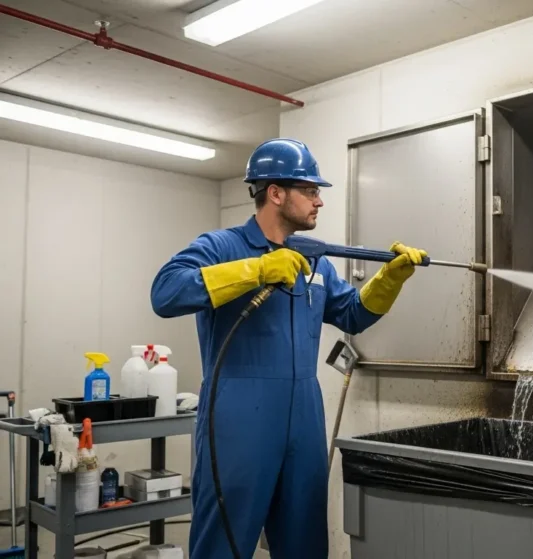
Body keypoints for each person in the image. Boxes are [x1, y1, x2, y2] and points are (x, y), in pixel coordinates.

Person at [150, 138, 425, 558]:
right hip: (237, 417)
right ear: (276, 193)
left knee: (305, 541)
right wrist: (256, 269)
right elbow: (165, 293)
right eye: (311, 191)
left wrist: (390, 280)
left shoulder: (314, 262)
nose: (319, 201)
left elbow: (351, 314)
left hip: (303, 416)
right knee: (224, 542)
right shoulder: (222, 246)